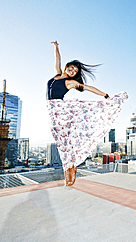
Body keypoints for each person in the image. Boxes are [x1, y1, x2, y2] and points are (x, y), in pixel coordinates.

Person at [47, 41, 127, 186]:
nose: (72, 71)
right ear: (67, 67)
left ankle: (69, 169)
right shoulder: (58, 74)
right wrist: (56, 47)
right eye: (71, 68)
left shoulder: (69, 82)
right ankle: (70, 166)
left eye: (75, 71)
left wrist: (105, 95)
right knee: (62, 142)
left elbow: (88, 87)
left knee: (65, 140)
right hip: (52, 111)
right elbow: (57, 59)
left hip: (60, 110)